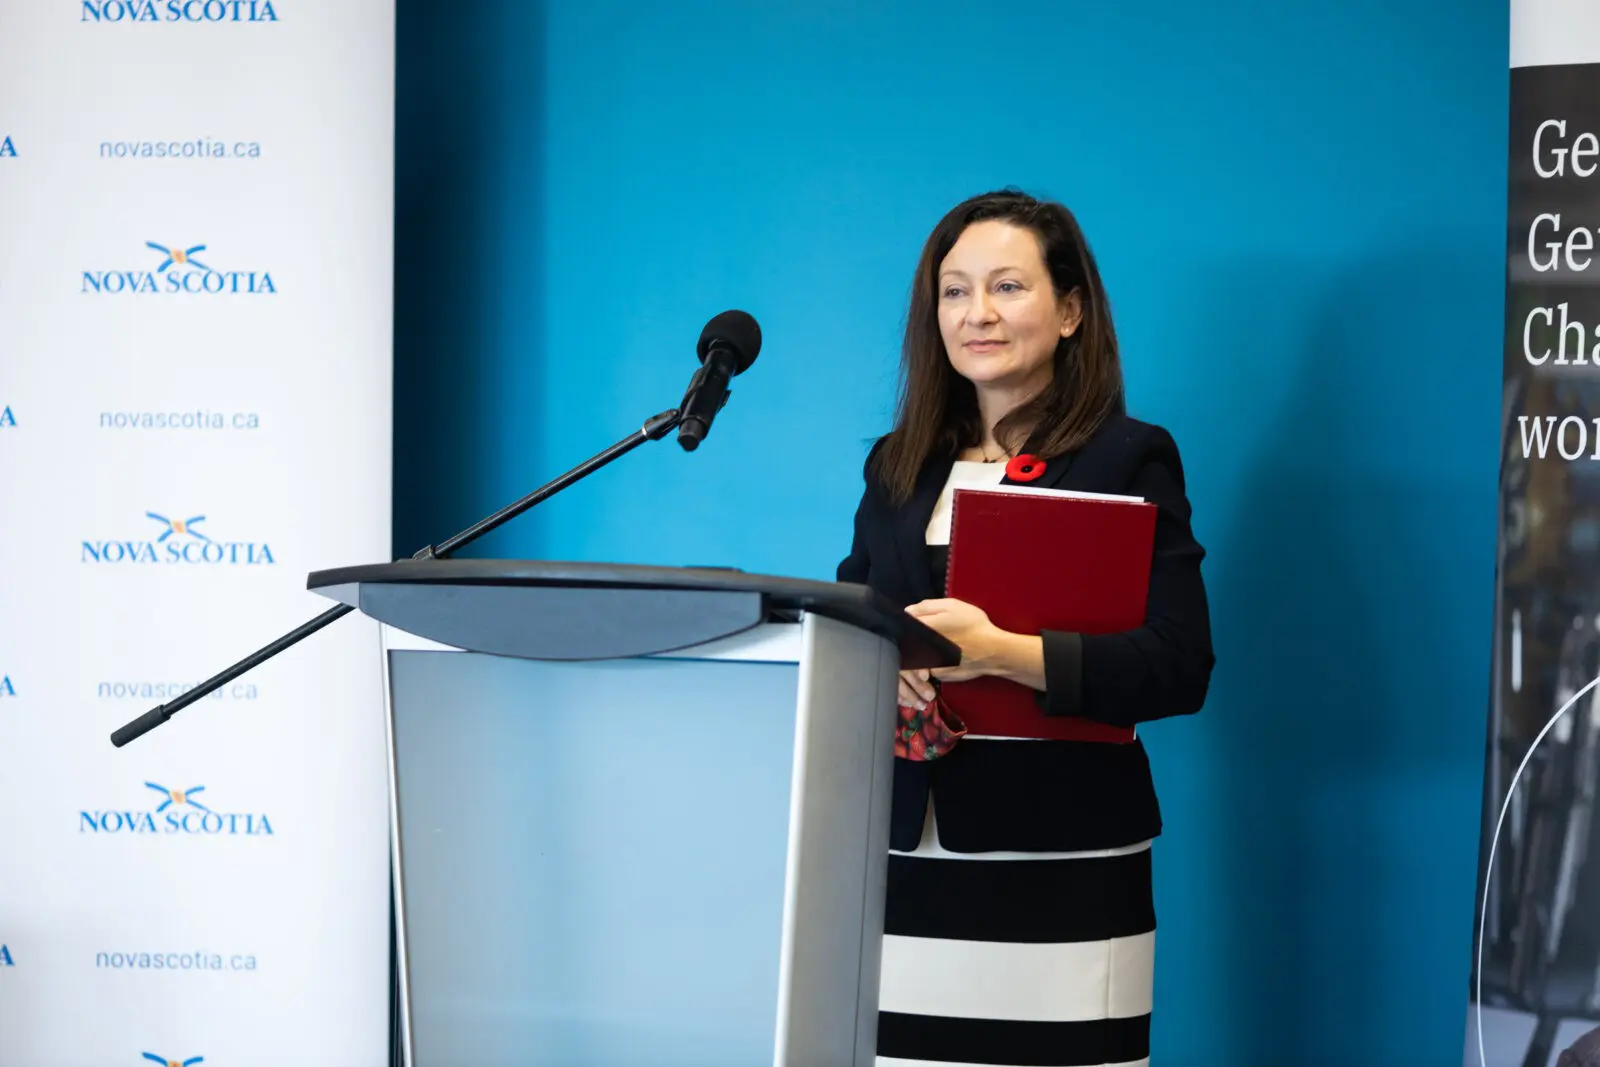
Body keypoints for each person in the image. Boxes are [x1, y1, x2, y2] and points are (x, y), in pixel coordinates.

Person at [836, 188, 1214, 1067]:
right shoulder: (896, 465)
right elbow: (853, 619)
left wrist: (1002, 653)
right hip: (907, 853)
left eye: (1007, 286)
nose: (977, 313)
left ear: (1072, 309)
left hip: (1065, 856)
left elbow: (1179, 664)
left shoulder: (1126, 457)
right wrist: (877, 666)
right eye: (955, 290)